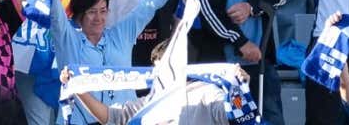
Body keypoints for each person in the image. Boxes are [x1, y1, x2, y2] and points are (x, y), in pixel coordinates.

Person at [50, 0, 179, 125]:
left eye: (103, 11)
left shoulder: (121, 35)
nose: (98, 18)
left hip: (124, 120)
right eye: (92, 12)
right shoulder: (68, 40)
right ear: (78, 15)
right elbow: (55, 13)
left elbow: (148, 5)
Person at [58, 43, 241, 124]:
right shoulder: (150, 102)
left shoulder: (207, 93)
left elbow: (237, 116)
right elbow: (110, 117)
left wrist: (238, 90)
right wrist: (77, 88)